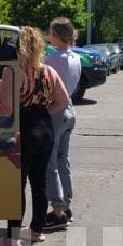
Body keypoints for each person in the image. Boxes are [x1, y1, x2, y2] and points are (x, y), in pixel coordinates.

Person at [0, 27, 70, 246]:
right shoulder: (48, 71)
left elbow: (7, 108)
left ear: (19, 47)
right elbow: (63, 100)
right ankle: (36, 231)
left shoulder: (12, 71)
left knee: (16, 183)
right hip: (45, 127)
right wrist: (45, 109)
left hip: (23, 128)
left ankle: (12, 238)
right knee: (39, 182)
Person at [43, 18, 81, 230]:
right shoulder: (75, 57)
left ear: (56, 35)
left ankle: (57, 211)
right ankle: (66, 205)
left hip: (56, 111)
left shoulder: (54, 59)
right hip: (70, 111)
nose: (48, 36)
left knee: (50, 163)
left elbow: (44, 81)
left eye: (50, 32)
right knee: (63, 159)